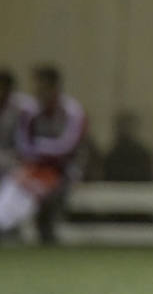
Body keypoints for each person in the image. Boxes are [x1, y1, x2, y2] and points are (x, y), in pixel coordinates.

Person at [0, 65, 88, 243]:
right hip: (35, 167)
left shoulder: (72, 111)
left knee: (40, 190)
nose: (39, 92)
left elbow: (67, 147)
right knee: (14, 184)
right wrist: (40, 154)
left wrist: (39, 151)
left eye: (43, 87)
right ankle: (7, 227)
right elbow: (24, 145)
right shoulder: (31, 111)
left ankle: (39, 232)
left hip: (65, 170)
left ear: (54, 87)